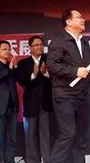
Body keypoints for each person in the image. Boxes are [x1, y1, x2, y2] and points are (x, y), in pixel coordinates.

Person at [48, 9, 90, 163]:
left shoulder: (83, 42)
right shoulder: (58, 41)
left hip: (82, 95)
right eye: (79, 17)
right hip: (64, 95)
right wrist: (75, 71)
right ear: (68, 21)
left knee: (80, 138)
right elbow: (52, 66)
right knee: (68, 133)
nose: (83, 20)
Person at [17, 35, 54, 163]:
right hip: (30, 104)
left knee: (46, 134)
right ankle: (32, 160)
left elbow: (56, 79)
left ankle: (47, 160)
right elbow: (21, 81)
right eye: (36, 45)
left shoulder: (49, 60)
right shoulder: (23, 63)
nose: (39, 47)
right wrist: (33, 74)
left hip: (46, 103)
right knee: (30, 134)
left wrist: (45, 73)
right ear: (30, 47)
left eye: (41, 44)